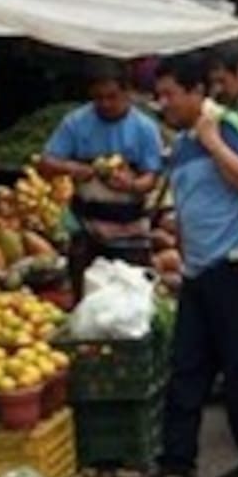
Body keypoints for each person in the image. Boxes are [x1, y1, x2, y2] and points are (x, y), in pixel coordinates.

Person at [139, 52, 238, 477]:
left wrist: (213, 141)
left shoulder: (225, 128)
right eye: (159, 94)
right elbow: (186, 207)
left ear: (197, 92)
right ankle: (176, 466)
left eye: (171, 94)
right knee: (185, 370)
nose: (163, 103)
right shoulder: (181, 144)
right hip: (199, 273)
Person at [39, 59, 162, 298]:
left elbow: (151, 178)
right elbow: (46, 163)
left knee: (131, 298)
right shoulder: (76, 123)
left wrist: (133, 185)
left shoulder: (144, 128)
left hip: (130, 232)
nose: (105, 104)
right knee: (85, 297)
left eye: (112, 97)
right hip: (86, 230)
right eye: (98, 98)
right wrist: (72, 168)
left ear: (128, 93)